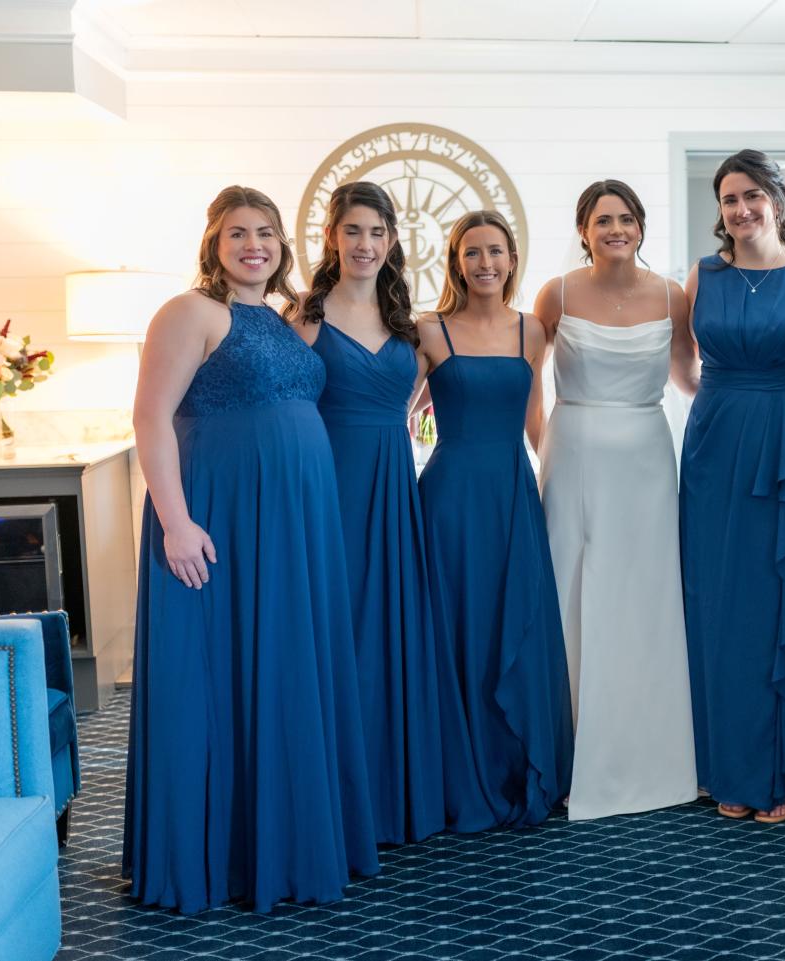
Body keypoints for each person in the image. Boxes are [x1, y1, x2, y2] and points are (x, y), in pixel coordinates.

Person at [125, 185, 378, 913]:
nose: (254, 245)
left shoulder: (277, 317)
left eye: (266, 232)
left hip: (293, 525)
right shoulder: (189, 312)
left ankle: (290, 844)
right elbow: (150, 416)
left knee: (287, 670)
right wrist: (175, 521)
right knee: (218, 676)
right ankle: (219, 858)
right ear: (213, 243)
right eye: (238, 233)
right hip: (222, 518)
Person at [678, 149, 785, 824]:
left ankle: (784, 767)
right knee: (725, 607)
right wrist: (732, 402)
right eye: (728, 199)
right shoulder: (702, 275)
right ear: (718, 210)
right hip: (717, 445)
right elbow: (683, 368)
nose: (741, 209)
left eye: (752, 195)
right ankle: (731, 764)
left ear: (777, 200)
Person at [533, 180, 698, 820]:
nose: (615, 229)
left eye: (625, 218)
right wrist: (544, 444)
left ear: (641, 226)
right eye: (602, 220)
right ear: (583, 230)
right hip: (573, 448)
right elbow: (529, 377)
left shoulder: (672, 296)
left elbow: (687, 375)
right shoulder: (559, 293)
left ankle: (647, 753)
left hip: (646, 455)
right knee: (571, 594)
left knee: (642, 596)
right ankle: (570, 752)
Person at [296, 180, 447, 845]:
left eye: (378, 232)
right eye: (353, 230)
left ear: (392, 241)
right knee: (338, 632)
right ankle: (334, 794)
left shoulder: (407, 322)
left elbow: (419, 406)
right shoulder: (303, 317)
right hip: (327, 485)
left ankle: (389, 794)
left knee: (389, 633)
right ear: (332, 236)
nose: (365, 244)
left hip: (393, 491)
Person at [414, 210, 573, 831]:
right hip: (450, 501)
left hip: (512, 496)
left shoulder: (532, 330)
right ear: (456, 261)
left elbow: (535, 416)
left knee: (517, 627)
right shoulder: (429, 331)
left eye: (496, 252)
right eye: (472, 252)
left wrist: (560, 478)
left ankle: (517, 765)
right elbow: (392, 412)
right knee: (458, 634)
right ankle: (459, 774)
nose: (485, 264)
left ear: (513, 260)